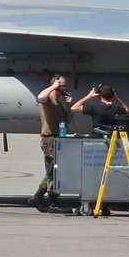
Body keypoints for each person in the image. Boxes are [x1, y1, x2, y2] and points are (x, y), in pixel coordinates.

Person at [28, 75, 72, 210]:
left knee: (53, 171)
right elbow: (41, 97)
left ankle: (38, 197)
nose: (64, 88)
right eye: (62, 85)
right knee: (53, 171)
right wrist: (53, 86)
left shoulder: (58, 102)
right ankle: (51, 202)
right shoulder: (49, 99)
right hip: (49, 139)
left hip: (57, 137)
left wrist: (69, 105)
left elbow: (68, 120)